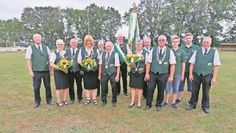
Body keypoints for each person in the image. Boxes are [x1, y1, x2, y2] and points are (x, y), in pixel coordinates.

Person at [186, 37, 220, 114]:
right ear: (202, 42)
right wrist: (191, 74)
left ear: (210, 43)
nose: (205, 44)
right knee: (194, 90)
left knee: (206, 91)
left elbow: (216, 66)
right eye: (204, 42)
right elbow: (192, 63)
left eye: (207, 42)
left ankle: (205, 106)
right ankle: (192, 104)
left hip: (207, 74)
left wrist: (214, 78)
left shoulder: (214, 52)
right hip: (196, 74)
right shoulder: (197, 51)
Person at [145, 35, 176, 111]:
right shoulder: (153, 50)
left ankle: (158, 104)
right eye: (160, 40)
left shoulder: (170, 51)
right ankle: (148, 104)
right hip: (153, 73)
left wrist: (171, 76)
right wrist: (147, 73)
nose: (161, 41)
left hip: (163, 74)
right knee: (149, 88)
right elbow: (148, 62)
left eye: (163, 40)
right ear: (157, 41)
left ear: (165, 41)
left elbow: (172, 64)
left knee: (161, 89)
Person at [25, 33, 52, 108]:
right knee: (36, 87)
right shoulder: (30, 48)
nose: (37, 39)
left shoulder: (46, 47)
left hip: (46, 71)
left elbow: (50, 59)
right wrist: (30, 70)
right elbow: (28, 60)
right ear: (34, 39)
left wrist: (51, 69)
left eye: (39, 37)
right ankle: (37, 101)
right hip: (36, 71)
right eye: (36, 38)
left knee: (48, 86)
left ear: (41, 38)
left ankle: (49, 100)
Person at [163, 35, 186, 109]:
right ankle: (165, 102)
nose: (175, 43)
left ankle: (173, 102)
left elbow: (183, 64)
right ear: (171, 42)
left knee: (176, 88)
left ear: (179, 42)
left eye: (176, 42)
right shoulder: (169, 51)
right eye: (174, 42)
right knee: (167, 88)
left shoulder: (182, 51)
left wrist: (182, 74)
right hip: (168, 73)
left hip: (178, 73)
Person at [177, 33, 199, 104]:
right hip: (182, 70)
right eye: (186, 38)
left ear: (192, 38)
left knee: (191, 86)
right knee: (180, 85)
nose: (188, 39)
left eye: (189, 38)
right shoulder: (181, 47)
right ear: (184, 39)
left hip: (192, 71)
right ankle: (179, 99)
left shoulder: (197, 48)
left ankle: (190, 100)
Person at [77, 35, 99, 105]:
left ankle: (94, 99)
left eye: (90, 42)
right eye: (87, 42)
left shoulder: (95, 49)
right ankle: (88, 99)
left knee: (94, 85)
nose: (88, 44)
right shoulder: (82, 49)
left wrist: (94, 65)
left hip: (94, 71)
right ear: (85, 43)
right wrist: (85, 66)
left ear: (92, 43)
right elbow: (79, 60)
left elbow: (99, 59)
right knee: (87, 85)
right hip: (86, 71)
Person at [98, 41, 120, 107]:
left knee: (114, 87)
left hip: (112, 73)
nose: (108, 48)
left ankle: (114, 101)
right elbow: (100, 65)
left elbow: (118, 66)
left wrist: (117, 75)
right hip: (104, 73)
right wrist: (99, 74)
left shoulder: (115, 54)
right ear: (105, 46)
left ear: (112, 46)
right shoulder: (102, 53)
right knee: (103, 87)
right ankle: (103, 100)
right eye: (107, 46)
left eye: (109, 46)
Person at [50, 39, 69, 107]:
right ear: (56, 45)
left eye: (61, 44)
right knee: (58, 87)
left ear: (63, 45)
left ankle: (65, 100)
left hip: (66, 72)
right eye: (58, 44)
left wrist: (67, 67)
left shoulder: (65, 52)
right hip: (58, 73)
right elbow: (51, 64)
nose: (60, 45)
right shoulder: (54, 53)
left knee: (66, 87)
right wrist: (61, 68)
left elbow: (69, 62)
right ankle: (58, 101)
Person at [129, 39, 146, 108]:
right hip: (133, 72)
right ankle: (132, 102)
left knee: (140, 88)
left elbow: (147, 63)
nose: (138, 46)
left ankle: (139, 102)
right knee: (132, 87)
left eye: (140, 44)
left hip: (141, 73)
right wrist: (131, 64)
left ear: (142, 45)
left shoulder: (145, 53)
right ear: (135, 45)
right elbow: (129, 63)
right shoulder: (132, 53)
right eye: (137, 44)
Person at [66, 38, 83, 104]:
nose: (73, 44)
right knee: (70, 85)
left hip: (78, 70)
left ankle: (80, 98)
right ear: (70, 43)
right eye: (72, 42)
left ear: (77, 43)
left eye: (75, 42)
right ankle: (72, 98)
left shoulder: (80, 50)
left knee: (79, 85)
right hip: (70, 71)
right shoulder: (66, 51)